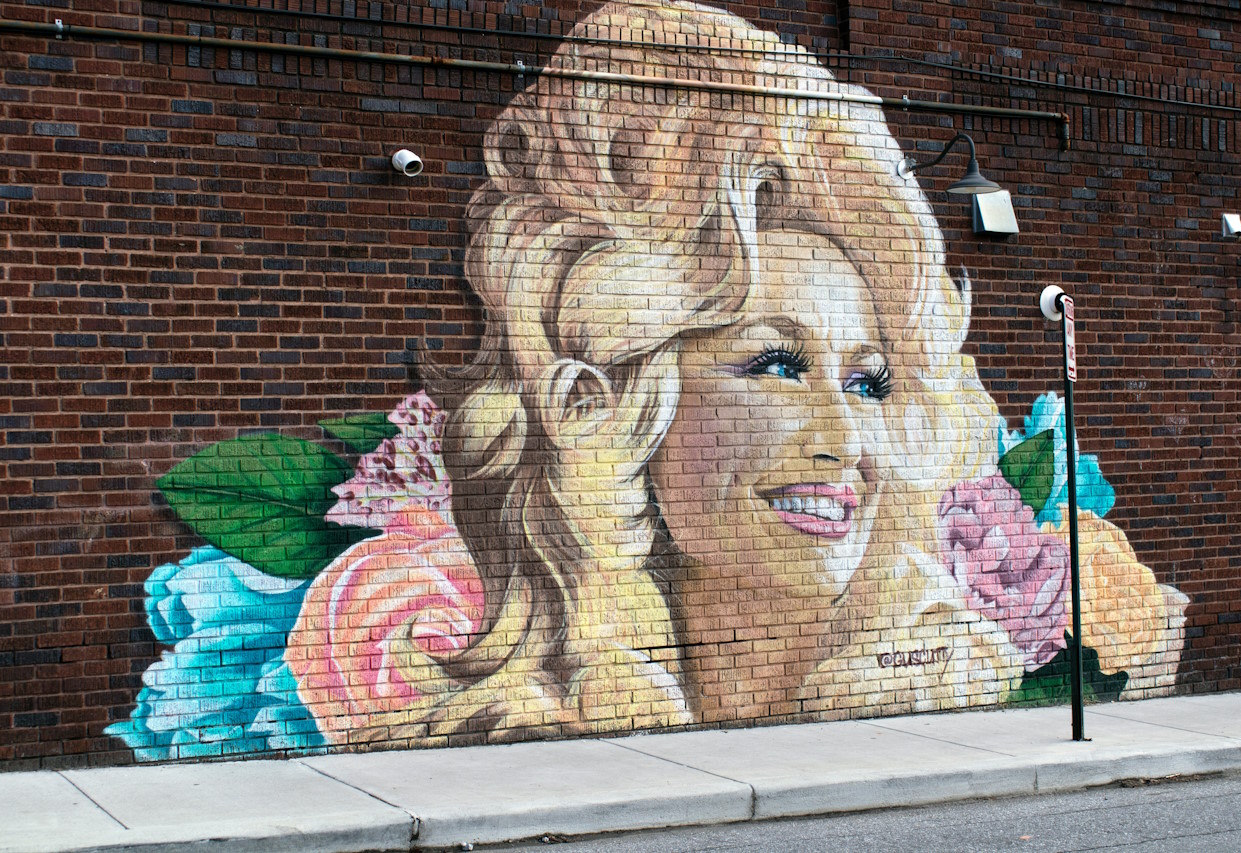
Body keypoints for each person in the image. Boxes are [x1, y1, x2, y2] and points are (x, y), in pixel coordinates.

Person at [285, 0, 1028, 746]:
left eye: (868, 383)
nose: (846, 441)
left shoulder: (910, 659)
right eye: (777, 366)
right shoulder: (536, 717)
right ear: (619, 401)